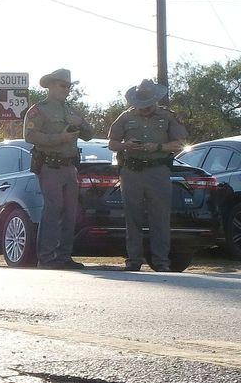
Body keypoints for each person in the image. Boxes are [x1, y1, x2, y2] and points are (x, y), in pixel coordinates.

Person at [108, 79, 188, 272]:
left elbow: (180, 143)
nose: (144, 108)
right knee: (132, 217)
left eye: (147, 103)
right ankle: (134, 261)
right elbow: (112, 143)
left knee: (159, 218)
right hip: (131, 171)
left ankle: (161, 262)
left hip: (158, 171)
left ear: (155, 99)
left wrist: (158, 147)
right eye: (140, 104)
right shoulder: (125, 117)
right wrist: (126, 145)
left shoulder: (168, 117)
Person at [23, 69, 93, 270]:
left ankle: (64, 256)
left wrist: (81, 123)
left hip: (70, 167)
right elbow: (31, 136)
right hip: (50, 165)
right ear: (51, 86)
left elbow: (89, 133)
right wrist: (58, 139)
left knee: (71, 213)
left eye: (69, 86)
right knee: (53, 210)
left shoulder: (71, 110)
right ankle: (46, 258)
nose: (67, 90)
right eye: (63, 85)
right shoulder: (39, 110)